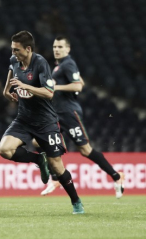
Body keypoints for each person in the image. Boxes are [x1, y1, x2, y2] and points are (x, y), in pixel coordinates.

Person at [0, 31, 84, 214]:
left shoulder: (40, 63)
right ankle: (38, 158)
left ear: (28, 49)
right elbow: (11, 72)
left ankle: (76, 201)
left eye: (17, 49)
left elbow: (49, 92)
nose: (13, 53)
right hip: (24, 118)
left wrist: (26, 87)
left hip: (46, 122)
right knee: (4, 150)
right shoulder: (14, 60)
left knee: (57, 166)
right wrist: (6, 91)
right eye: (12, 49)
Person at [34, 36, 125, 198]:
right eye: (55, 47)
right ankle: (55, 178)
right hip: (55, 114)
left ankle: (117, 176)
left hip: (69, 113)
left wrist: (55, 87)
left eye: (60, 47)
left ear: (67, 49)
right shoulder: (59, 66)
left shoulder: (68, 63)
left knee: (85, 150)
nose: (56, 49)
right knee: (38, 141)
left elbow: (77, 86)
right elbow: (79, 81)